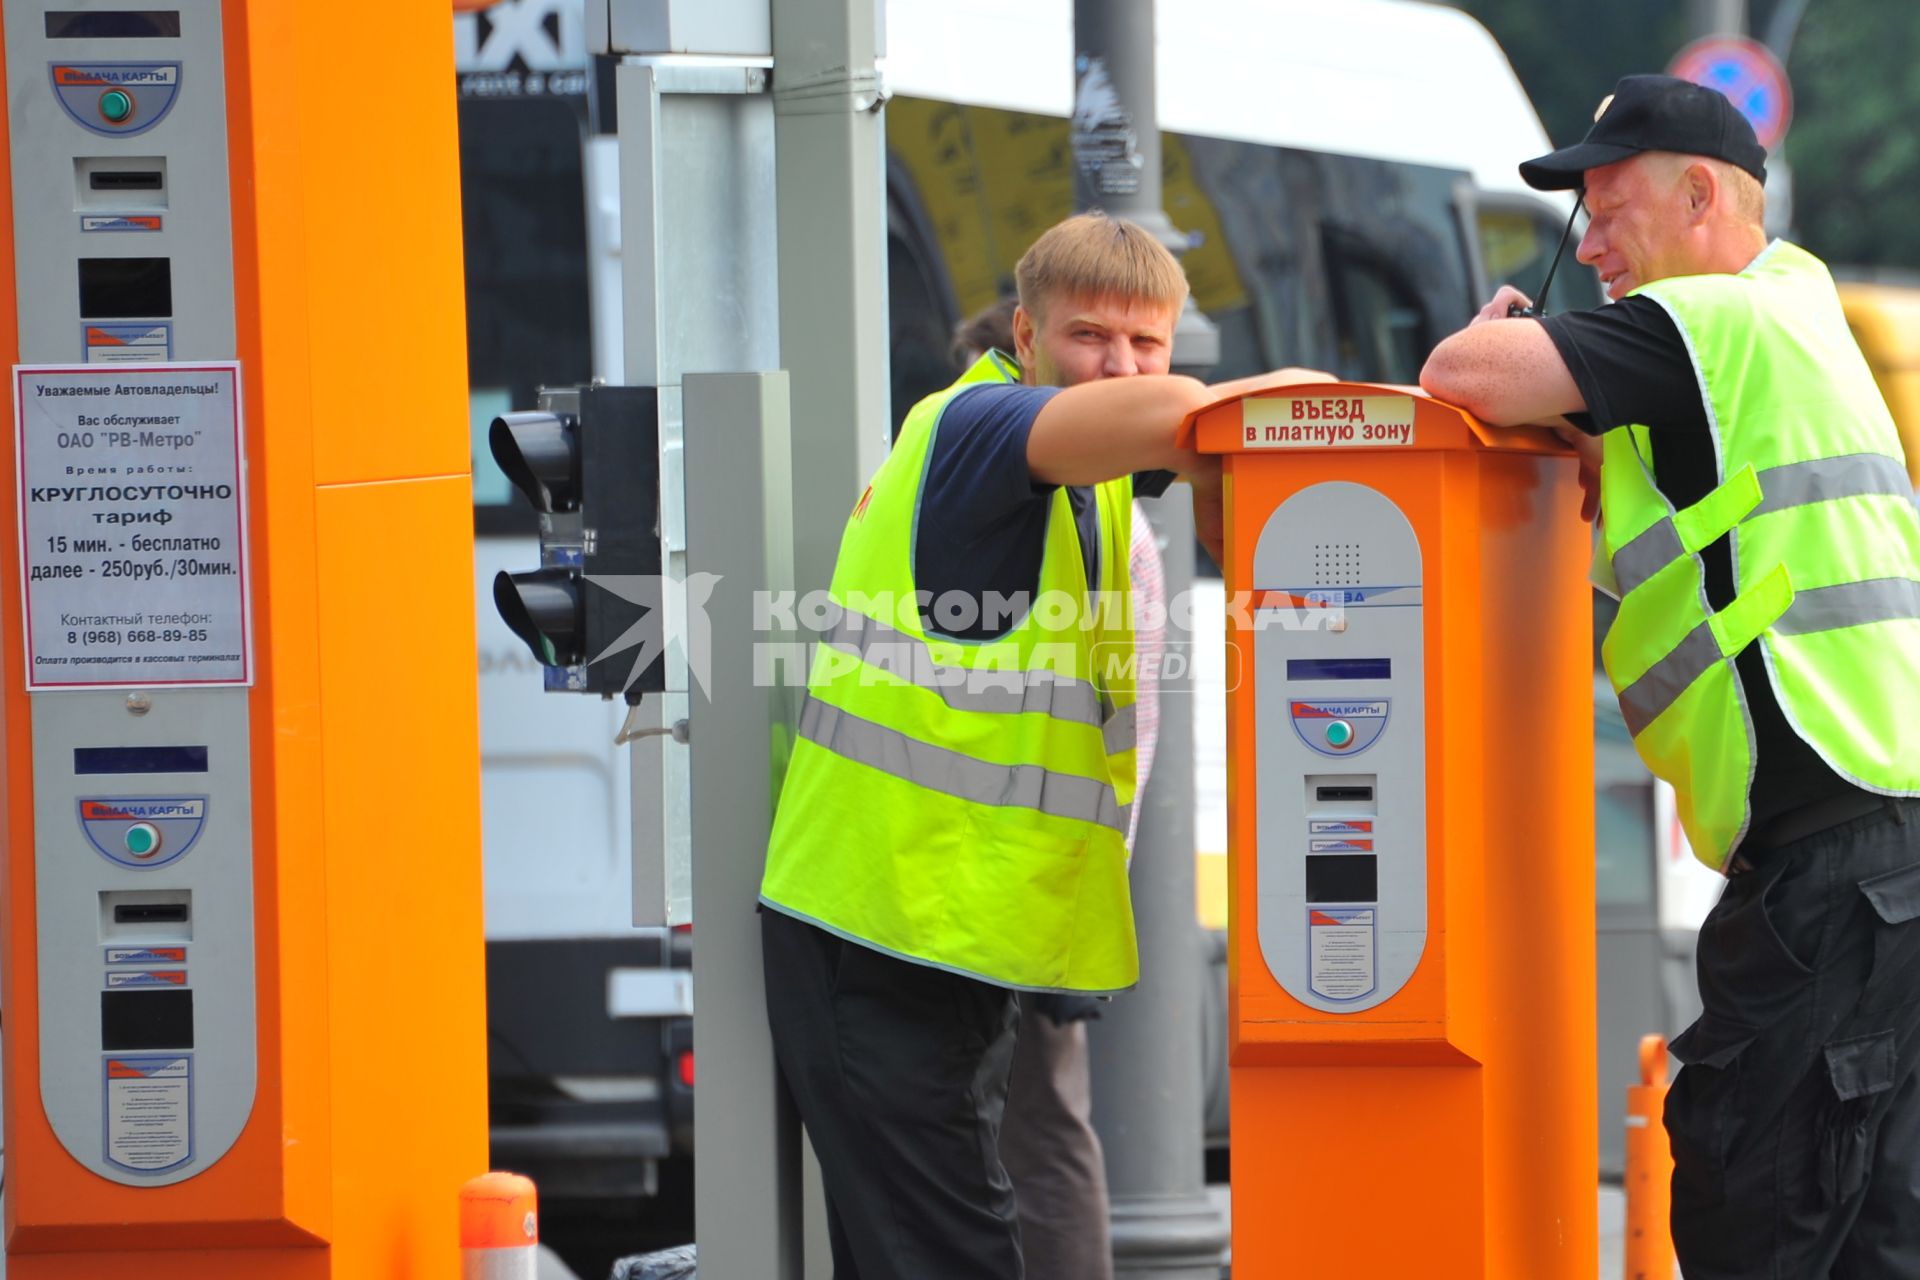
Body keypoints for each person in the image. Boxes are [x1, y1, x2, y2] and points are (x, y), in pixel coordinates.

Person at [1421, 74, 1920, 1277]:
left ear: (1701, 194)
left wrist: (1506, 341)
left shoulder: (1709, 322)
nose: (1585, 242)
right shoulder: (1792, 304)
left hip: (1825, 878)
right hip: (1882, 859)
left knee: (1756, 1216)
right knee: (1873, 1238)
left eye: (1606, 204)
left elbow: (1459, 379)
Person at [760, 212, 1318, 1279]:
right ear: (1023, 334)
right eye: (1088, 337)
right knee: (961, 1252)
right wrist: (1315, 413)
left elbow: (1187, 456)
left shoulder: (1088, 478)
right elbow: (1172, 419)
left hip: (942, 940)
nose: (1117, 367)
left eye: (1145, 344)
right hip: (883, 938)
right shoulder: (979, 430)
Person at [949, 294, 1169, 1280]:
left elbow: (1127, 713)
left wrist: (1093, 849)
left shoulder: (1102, 517)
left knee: (1038, 1129)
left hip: (1036, 868)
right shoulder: (1090, 511)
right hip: (1018, 863)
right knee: (1033, 1126)